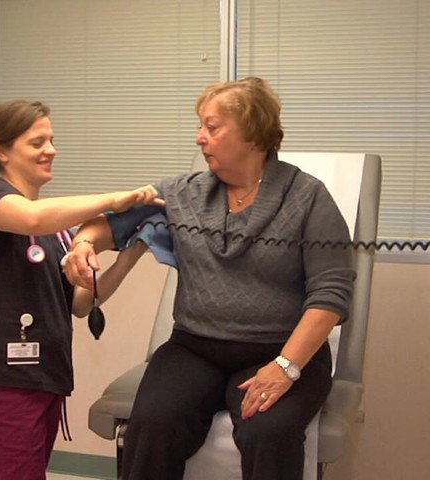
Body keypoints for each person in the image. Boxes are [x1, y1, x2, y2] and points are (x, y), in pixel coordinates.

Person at [64, 77, 356, 480]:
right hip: (194, 348)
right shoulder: (183, 193)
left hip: (277, 350)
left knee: (268, 432)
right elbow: (109, 226)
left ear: (252, 132)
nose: (200, 138)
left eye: (212, 127)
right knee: (151, 426)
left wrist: (286, 367)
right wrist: (83, 243)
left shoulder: (307, 197)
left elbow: (332, 294)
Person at [0, 99, 164, 480]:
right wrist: (115, 199)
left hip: (44, 377)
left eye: (51, 140)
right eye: (37, 143)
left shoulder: (57, 229)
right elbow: (31, 216)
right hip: (2, 380)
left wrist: (133, 251)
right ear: (2, 151)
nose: (51, 150)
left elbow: (81, 303)